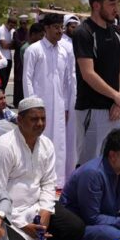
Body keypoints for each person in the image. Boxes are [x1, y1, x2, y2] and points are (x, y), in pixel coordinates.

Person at [0, 97, 85, 240]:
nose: (40, 123)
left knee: (76, 228)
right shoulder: (3, 147)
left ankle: (42, 238)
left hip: (38, 207)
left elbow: (48, 183)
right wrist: (22, 224)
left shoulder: (46, 144)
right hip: (8, 213)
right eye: (34, 119)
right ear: (20, 120)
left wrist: (46, 212)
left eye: (43, 119)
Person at [71, 0, 120, 166]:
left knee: (119, 163)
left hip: (117, 110)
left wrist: (119, 100)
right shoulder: (84, 33)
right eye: (111, 4)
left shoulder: (117, 32)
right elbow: (88, 74)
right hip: (92, 110)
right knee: (91, 165)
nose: (116, 9)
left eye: (116, 4)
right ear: (96, 5)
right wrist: (116, 97)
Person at [23, 12, 77, 182]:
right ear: (46, 28)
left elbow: (69, 81)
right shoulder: (34, 50)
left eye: (61, 27)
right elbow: (27, 78)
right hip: (40, 104)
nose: (60, 31)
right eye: (56, 27)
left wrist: (67, 106)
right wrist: (31, 106)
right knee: (39, 140)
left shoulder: (65, 51)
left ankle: (58, 179)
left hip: (60, 105)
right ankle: (37, 178)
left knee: (59, 143)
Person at [0, 16, 16, 94]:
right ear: (7, 23)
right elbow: (4, 45)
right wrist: (14, 44)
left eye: (13, 26)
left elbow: (10, 45)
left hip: (9, 59)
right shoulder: (1, 30)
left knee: (5, 81)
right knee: (1, 82)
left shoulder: (12, 31)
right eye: (11, 25)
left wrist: (11, 45)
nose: (11, 28)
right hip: (1, 59)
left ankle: (2, 98)